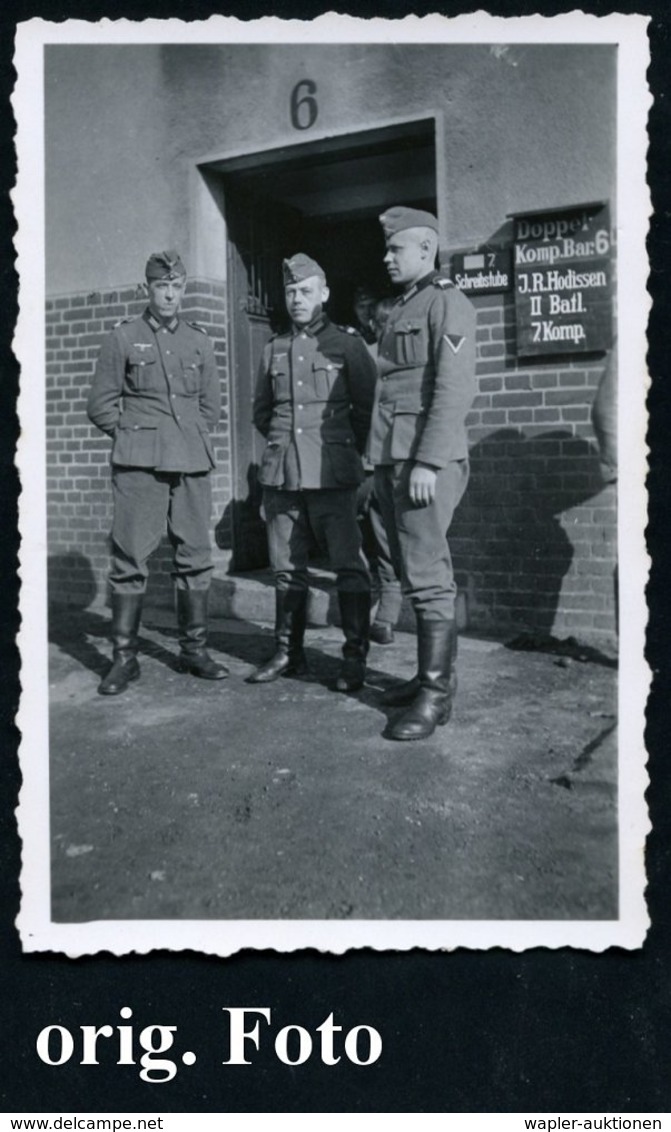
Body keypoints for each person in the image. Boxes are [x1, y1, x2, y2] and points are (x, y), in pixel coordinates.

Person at [87, 249, 228, 695]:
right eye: (161, 286)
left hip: (191, 460)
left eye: (175, 286)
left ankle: (194, 651)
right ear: (146, 289)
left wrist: (188, 437)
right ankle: (124, 659)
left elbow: (211, 408)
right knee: (130, 557)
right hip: (139, 464)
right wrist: (133, 437)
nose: (169, 294)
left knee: (195, 554)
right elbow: (101, 405)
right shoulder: (123, 337)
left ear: (183, 289)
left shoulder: (200, 341)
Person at [369, 207, 477, 740]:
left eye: (396, 249)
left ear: (426, 251)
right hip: (397, 458)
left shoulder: (446, 303)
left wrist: (429, 461)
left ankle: (436, 697)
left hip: (423, 463)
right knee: (414, 572)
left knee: (429, 575)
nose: (387, 257)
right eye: (387, 249)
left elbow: (454, 389)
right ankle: (426, 678)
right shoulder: (404, 307)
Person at [247, 252, 377, 692]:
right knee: (286, 569)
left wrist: (354, 461)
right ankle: (289, 653)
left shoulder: (347, 345)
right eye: (290, 292)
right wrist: (287, 450)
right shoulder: (273, 349)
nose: (297, 299)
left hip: (333, 473)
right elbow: (263, 413)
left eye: (305, 291)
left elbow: (367, 412)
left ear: (323, 294)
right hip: (283, 476)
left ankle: (355, 658)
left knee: (349, 567)